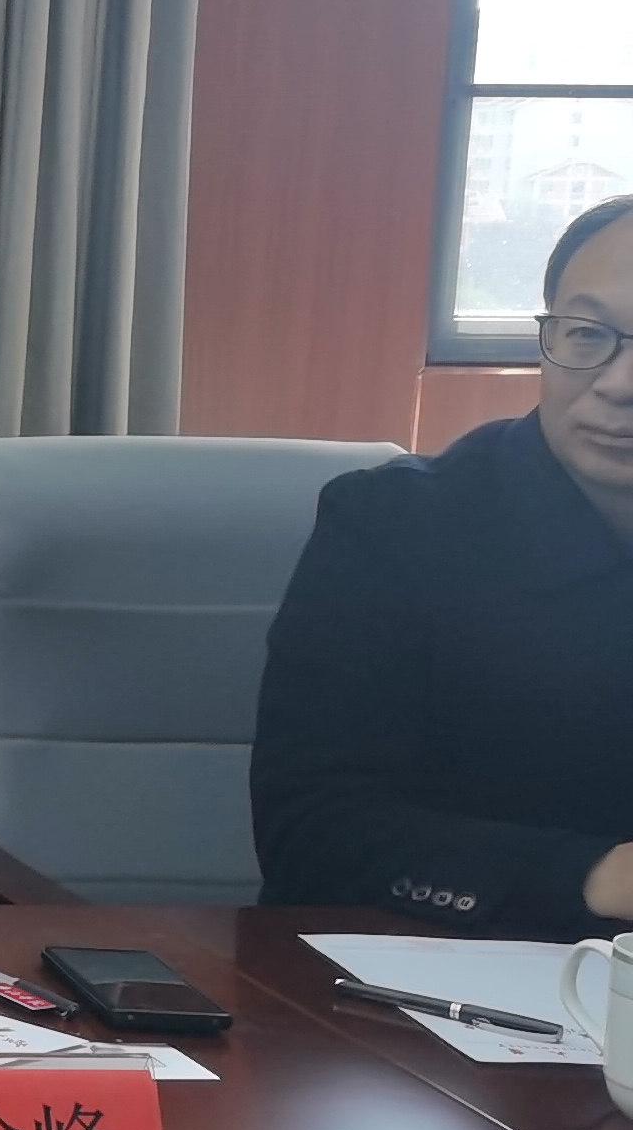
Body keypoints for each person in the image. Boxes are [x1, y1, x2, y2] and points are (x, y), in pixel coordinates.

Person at [252, 192, 633, 937]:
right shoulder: (394, 525)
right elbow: (311, 834)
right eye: (587, 335)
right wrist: (594, 876)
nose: (619, 383)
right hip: (426, 970)